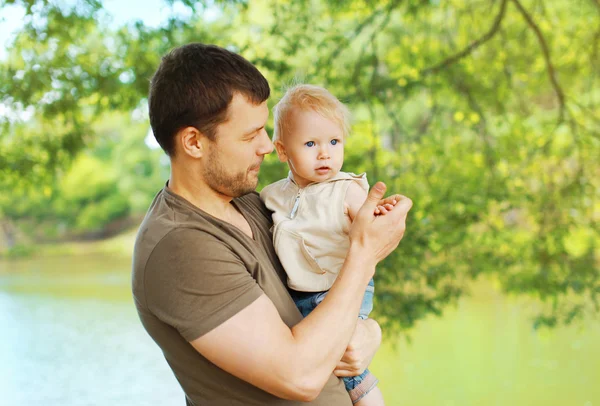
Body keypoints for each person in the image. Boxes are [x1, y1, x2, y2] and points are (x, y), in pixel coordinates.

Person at [132, 43, 412, 406]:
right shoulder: (179, 246)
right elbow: (299, 376)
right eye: (250, 136)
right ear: (193, 142)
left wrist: (368, 331)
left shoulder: (252, 203)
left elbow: (322, 299)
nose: (267, 146)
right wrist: (366, 253)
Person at [260, 84, 397, 405]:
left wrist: (379, 214)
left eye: (334, 142)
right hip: (300, 294)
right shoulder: (272, 195)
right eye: (310, 144)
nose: (325, 153)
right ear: (282, 151)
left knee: (350, 368)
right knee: (313, 363)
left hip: (340, 289)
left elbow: (372, 231)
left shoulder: (346, 190)